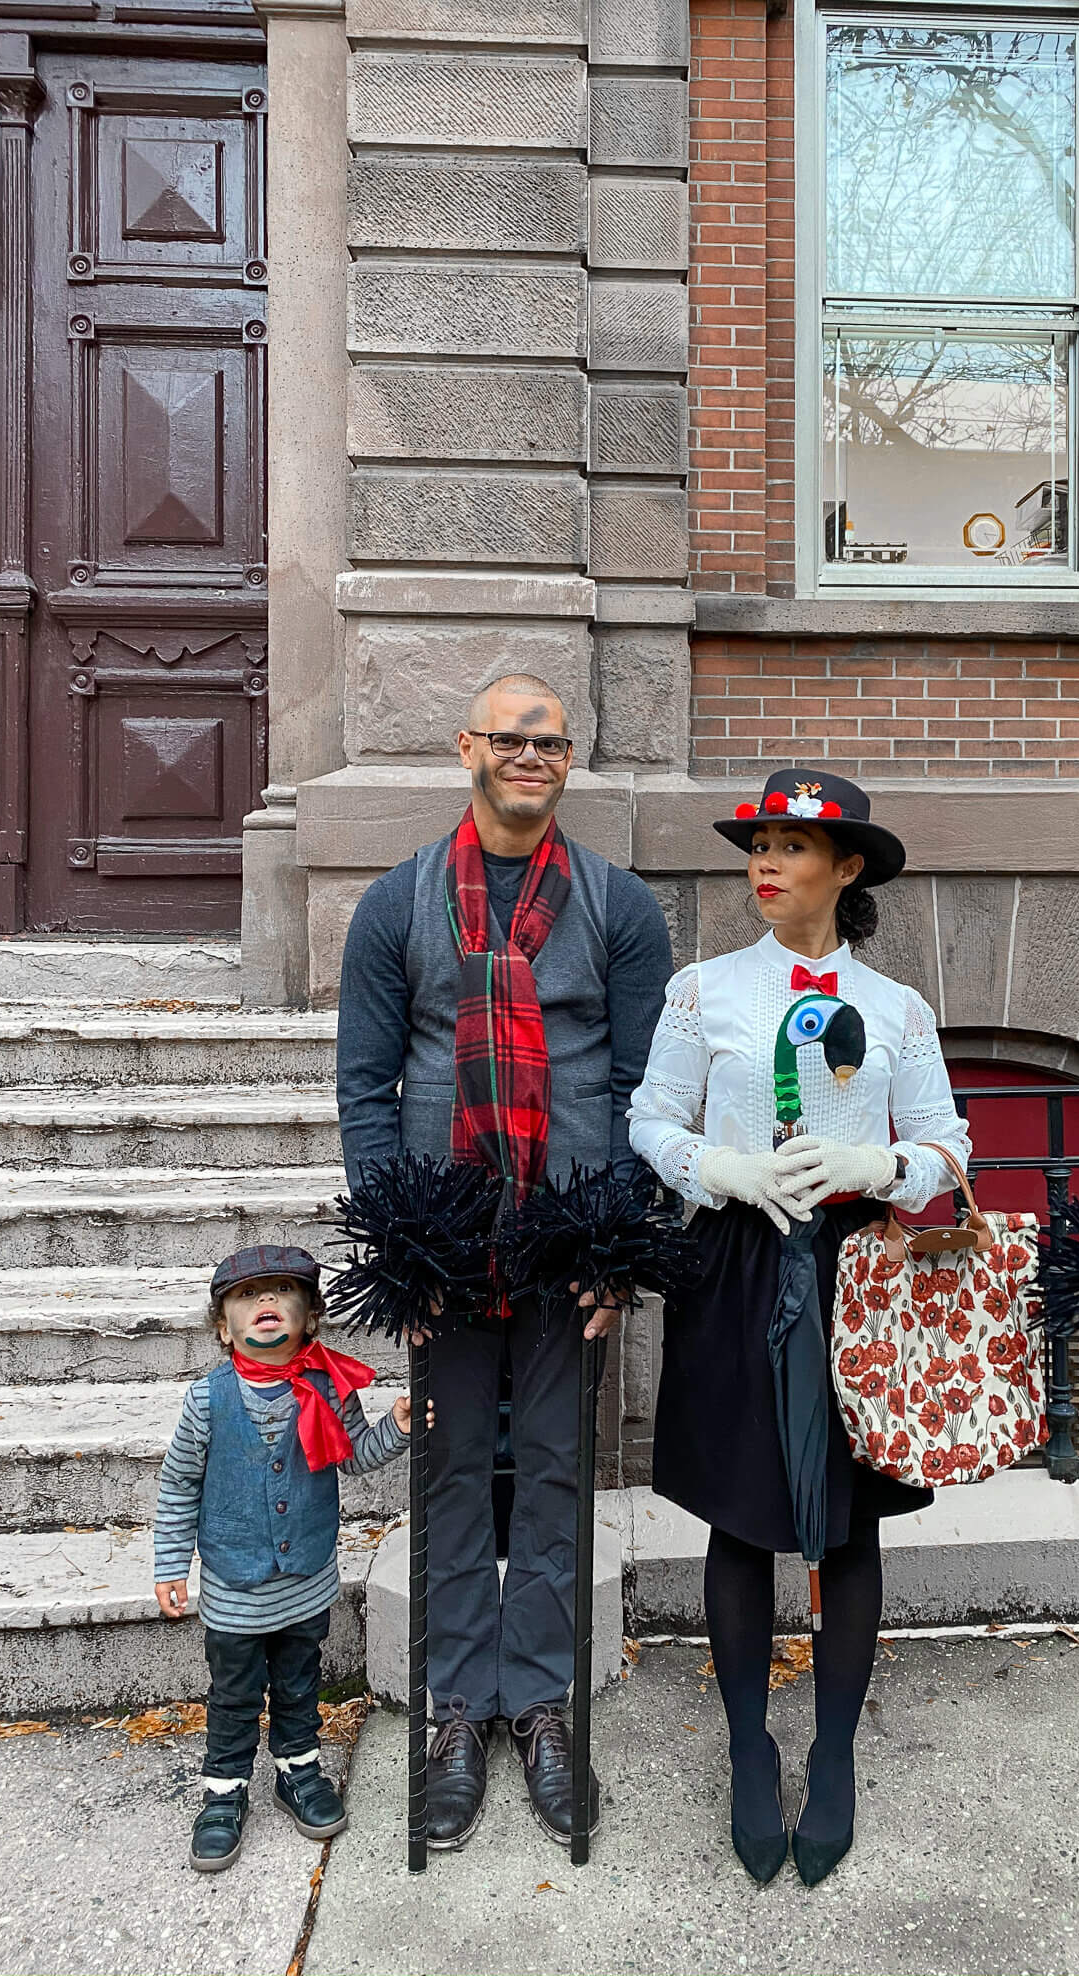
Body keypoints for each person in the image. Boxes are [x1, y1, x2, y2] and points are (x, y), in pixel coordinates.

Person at [336, 675, 672, 1851]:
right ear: (466, 747)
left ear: (567, 762)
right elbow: (367, 1092)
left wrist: (618, 1247)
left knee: (556, 1475)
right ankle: (455, 1708)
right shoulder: (394, 906)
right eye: (513, 737)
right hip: (446, 1246)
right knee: (449, 1476)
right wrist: (400, 1248)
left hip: (567, 1244)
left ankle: (538, 1704)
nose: (533, 755)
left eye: (553, 741)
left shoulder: (621, 908)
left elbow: (642, 1088)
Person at [628, 767, 971, 1887]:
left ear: (848, 866)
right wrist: (717, 1167)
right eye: (757, 843)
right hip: (734, 1261)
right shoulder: (704, 990)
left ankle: (831, 1753)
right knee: (740, 1512)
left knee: (849, 1517)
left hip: (853, 1268)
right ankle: (744, 1744)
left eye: (791, 845)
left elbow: (944, 1147)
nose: (764, 863)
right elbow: (650, 1118)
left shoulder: (901, 1009)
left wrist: (882, 1162)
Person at [154, 1244, 428, 1873]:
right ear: (225, 1327)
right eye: (249, 1296)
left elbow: (354, 1455)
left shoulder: (328, 1388)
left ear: (310, 1319)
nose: (267, 1303)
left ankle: (297, 1768)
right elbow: (178, 1485)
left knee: (300, 1681)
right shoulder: (208, 1400)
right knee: (234, 1692)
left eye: (283, 1293)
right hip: (234, 1587)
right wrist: (171, 1562)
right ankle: (224, 1791)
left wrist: (400, 1425)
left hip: (306, 1582)